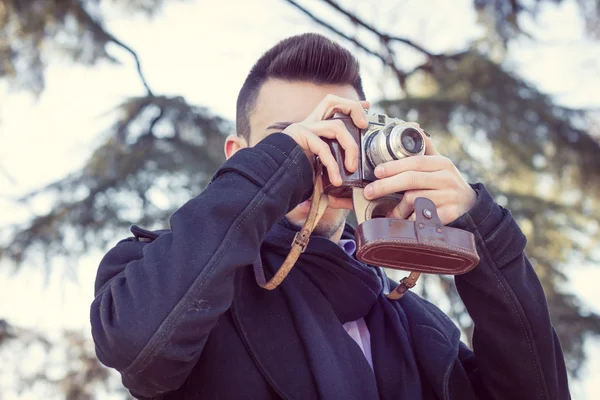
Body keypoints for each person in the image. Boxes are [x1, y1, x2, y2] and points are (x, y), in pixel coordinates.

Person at [90, 33, 570, 399]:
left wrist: (480, 233)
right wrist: (281, 168)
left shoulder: (421, 326)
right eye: (291, 137)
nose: (318, 156)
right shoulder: (157, 274)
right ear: (240, 156)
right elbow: (136, 347)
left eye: (336, 135)